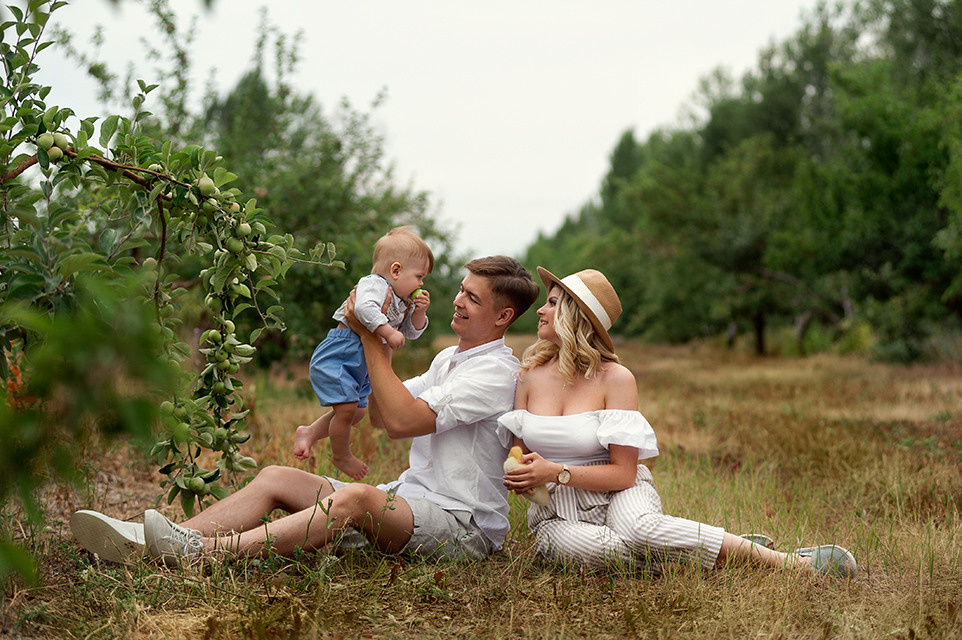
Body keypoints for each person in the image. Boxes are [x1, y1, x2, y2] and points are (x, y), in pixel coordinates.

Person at [70, 256, 541, 566]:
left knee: (356, 498)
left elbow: (400, 422)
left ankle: (204, 554)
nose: (456, 301)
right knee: (278, 476)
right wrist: (366, 347)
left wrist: (368, 336)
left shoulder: (497, 373)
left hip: (463, 526)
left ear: (503, 317)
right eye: (461, 290)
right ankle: (150, 541)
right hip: (411, 500)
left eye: (472, 298)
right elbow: (378, 412)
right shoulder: (448, 360)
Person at [499, 267, 857, 578]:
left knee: (640, 530)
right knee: (600, 551)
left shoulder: (616, 379)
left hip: (620, 492)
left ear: (575, 316)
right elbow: (519, 447)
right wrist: (522, 471)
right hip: (556, 510)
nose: (542, 310)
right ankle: (725, 551)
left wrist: (554, 470)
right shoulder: (529, 375)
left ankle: (788, 563)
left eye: (553, 302)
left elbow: (624, 473)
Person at [295, 225, 434, 480]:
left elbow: (410, 333)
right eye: (419, 276)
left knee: (356, 413)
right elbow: (363, 309)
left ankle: (310, 432)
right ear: (396, 270)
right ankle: (341, 456)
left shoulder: (402, 301)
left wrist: (419, 312)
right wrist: (388, 332)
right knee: (347, 410)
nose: (421, 283)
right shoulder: (375, 285)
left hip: (361, 359)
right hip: (342, 352)